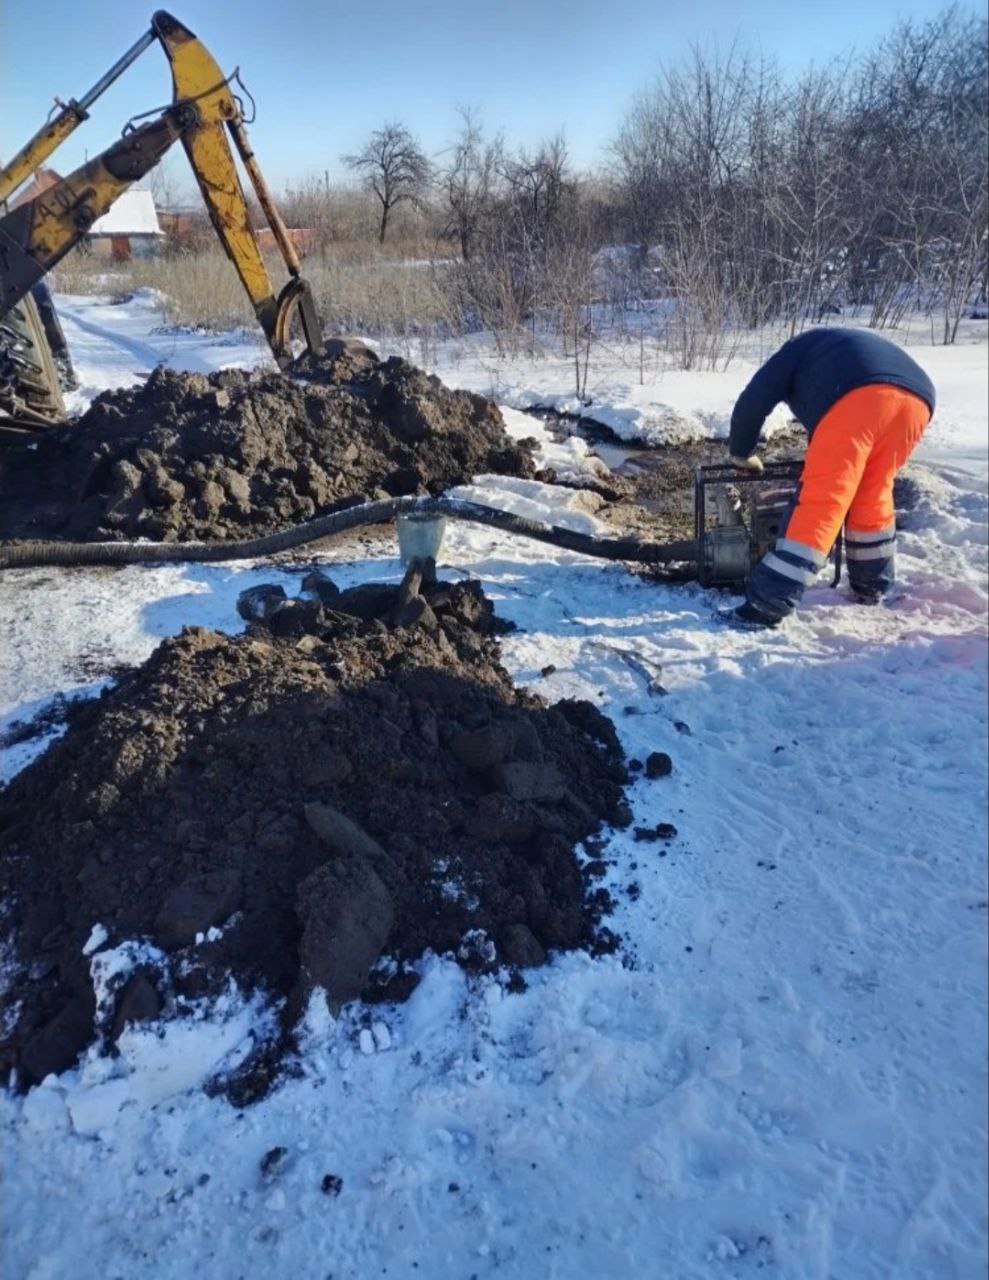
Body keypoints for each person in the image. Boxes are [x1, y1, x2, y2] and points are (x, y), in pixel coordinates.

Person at [725, 327, 936, 628]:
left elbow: (752, 403)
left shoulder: (791, 355)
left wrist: (741, 453)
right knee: (872, 490)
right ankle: (872, 584)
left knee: (824, 499)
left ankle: (767, 604)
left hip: (859, 397)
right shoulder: (827, 350)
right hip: (917, 400)